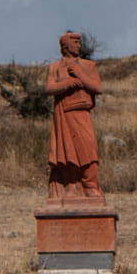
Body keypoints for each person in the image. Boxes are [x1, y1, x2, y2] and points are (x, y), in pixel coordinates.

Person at [45, 31, 104, 204]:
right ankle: (71, 186)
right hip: (64, 114)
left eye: (79, 42)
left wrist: (80, 75)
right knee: (66, 152)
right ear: (65, 45)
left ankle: (90, 186)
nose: (79, 45)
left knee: (89, 150)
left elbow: (97, 88)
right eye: (75, 42)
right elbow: (49, 88)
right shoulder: (54, 67)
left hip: (82, 113)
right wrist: (67, 83)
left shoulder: (88, 66)